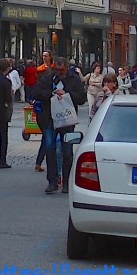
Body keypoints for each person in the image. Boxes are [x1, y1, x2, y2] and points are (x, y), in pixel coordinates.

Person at [32, 56, 86, 194]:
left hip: (67, 121)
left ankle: (67, 182)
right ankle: (53, 181)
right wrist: (51, 94)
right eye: (57, 69)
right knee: (50, 149)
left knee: (67, 151)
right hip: (50, 119)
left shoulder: (73, 79)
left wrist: (67, 94)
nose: (59, 72)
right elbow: (36, 93)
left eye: (62, 70)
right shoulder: (48, 78)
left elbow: (81, 98)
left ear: (67, 68)